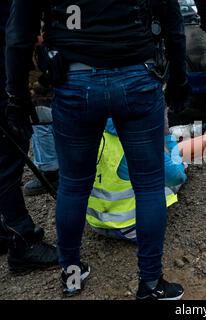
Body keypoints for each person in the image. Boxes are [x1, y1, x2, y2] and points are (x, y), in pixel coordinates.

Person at [6, 0, 189, 299]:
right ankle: (151, 283)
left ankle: (72, 275)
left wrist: (17, 99)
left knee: (74, 186)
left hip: (76, 82)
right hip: (136, 78)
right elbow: (173, 24)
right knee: (148, 186)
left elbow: (18, 35)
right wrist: (180, 81)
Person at [0, 0, 58, 271]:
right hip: (6, 71)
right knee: (8, 157)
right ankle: (21, 241)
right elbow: (17, 35)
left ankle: (8, 232)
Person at [87, 119, 187, 242]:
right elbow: (178, 177)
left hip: (95, 221)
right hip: (129, 226)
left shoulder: (85, 126)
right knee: (174, 174)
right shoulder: (139, 140)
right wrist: (167, 136)